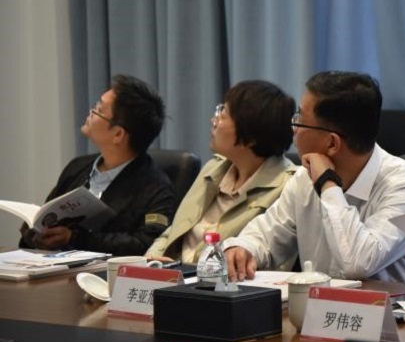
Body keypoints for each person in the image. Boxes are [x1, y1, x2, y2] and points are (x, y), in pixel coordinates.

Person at [223, 71, 405, 282]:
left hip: (391, 304)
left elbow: (358, 263)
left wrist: (328, 184)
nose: (294, 130)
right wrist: (242, 248)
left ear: (332, 143)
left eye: (299, 120)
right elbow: (266, 233)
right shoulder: (304, 179)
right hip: (317, 303)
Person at [19, 74, 176, 256]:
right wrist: (35, 234)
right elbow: (46, 216)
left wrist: (75, 238)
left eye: (98, 109)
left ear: (118, 134)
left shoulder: (156, 189)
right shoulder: (77, 167)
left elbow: (145, 244)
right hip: (49, 265)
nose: (91, 112)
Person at [146, 80, 297, 265]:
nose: (213, 121)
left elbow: (272, 263)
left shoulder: (288, 185)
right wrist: (150, 261)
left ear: (250, 137)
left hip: (217, 280)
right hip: (172, 274)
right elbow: (176, 230)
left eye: (222, 115)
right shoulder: (213, 169)